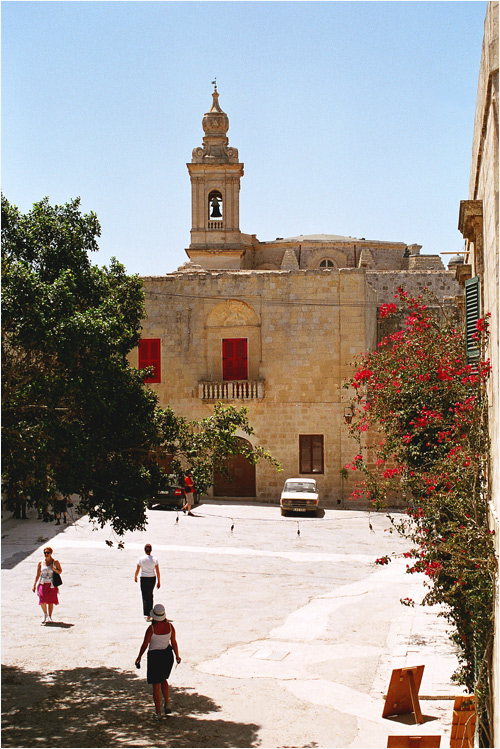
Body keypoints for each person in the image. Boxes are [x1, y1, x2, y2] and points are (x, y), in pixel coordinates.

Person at [135, 603, 181, 719]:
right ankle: (167, 703)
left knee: (156, 685)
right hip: (167, 655)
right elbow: (174, 643)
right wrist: (177, 656)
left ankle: (158, 712)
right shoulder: (170, 627)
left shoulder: (151, 629)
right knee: (163, 680)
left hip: (155, 657)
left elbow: (145, 645)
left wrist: (139, 657)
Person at [32, 547, 62, 624]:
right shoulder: (41, 563)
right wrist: (34, 584)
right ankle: (45, 614)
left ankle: (50, 616)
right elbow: (38, 574)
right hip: (43, 583)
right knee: (42, 600)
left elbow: (60, 571)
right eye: (45, 553)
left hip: (51, 584)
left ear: (51, 553)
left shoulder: (55, 562)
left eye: (48, 553)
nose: (46, 554)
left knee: (51, 600)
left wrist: (54, 569)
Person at [135, 544, 160, 620]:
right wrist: (159, 581)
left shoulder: (141, 559)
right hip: (152, 578)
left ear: (144, 550)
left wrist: (135, 576)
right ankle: (151, 614)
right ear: (151, 550)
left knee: (145, 596)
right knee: (150, 595)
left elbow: (138, 569)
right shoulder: (155, 559)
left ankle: (147, 614)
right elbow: (157, 571)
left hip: (144, 578)